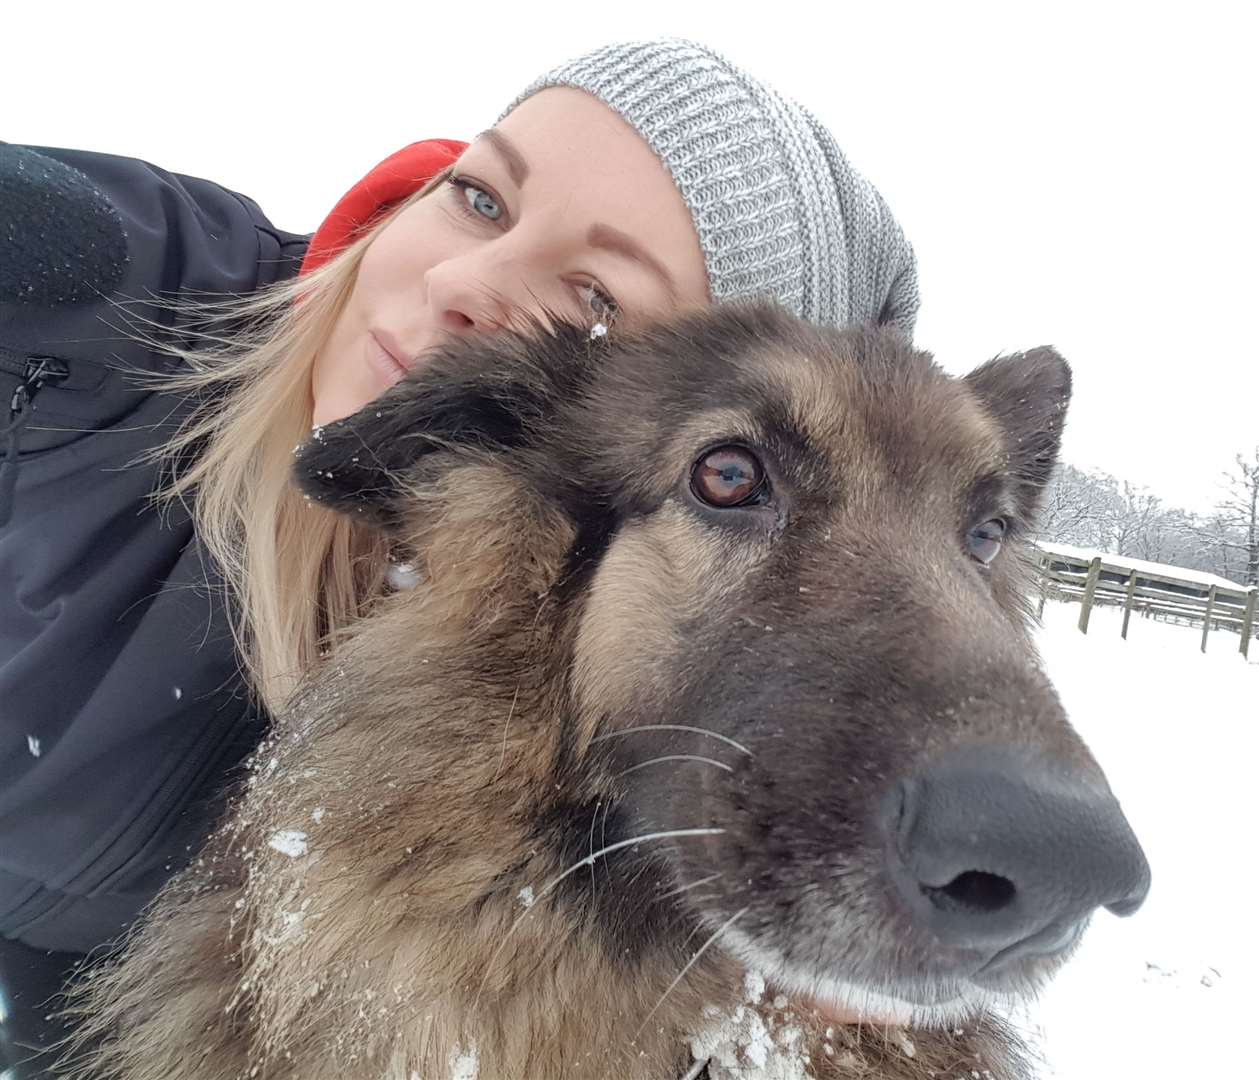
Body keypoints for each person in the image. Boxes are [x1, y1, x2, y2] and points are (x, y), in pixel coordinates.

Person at [0, 37, 919, 1076]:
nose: (459, 279)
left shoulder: (623, 706)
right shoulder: (122, 317)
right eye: (482, 198)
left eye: (597, 305)